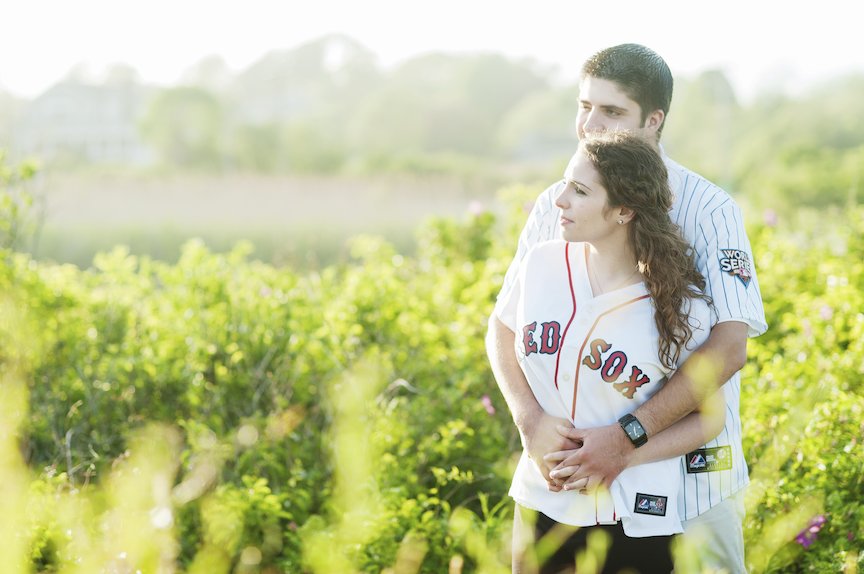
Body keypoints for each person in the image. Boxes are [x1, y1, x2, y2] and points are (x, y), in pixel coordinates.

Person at [486, 44, 767, 573]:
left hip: (692, 480)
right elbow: (503, 327)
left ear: (654, 120)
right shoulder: (555, 207)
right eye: (584, 106)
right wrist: (530, 421)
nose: (591, 124)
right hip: (569, 488)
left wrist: (625, 438)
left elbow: (728, 349)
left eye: (612, 111)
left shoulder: (708, 208)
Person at [497, 131, 725, 573]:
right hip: (541, 499)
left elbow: (708, 419)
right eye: (565, 183)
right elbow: (502, 331)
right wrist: (527, 418)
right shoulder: (541, 264)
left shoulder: (683, 308)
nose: (559, 200)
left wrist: (624, 451)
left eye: (579, 191)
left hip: (636, 515)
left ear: (624, 210)